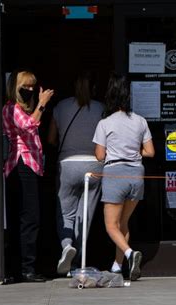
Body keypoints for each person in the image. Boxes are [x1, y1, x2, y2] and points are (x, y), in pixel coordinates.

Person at [92, 72, 154, 280]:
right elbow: (150, 152)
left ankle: (129, 254)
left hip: (115, 173)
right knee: (123, 223)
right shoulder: (140, 121)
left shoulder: (105, 123)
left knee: (111, 225)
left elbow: (100, 155)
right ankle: (117, 266)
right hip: (137, 173)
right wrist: (135, 152)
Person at [47, 71, 104, 275]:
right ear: (94, 88)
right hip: (95, 166)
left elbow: (51, 139)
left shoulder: (60, 106)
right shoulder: (101, 108)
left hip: (68, 165)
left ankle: (66, 246)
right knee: (85, 214)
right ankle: (79, 258)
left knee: (65, 212)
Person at [3, 70, 54, 282]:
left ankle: (22, 267)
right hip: (22, 165)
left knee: (25, 217)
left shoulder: (19, 109)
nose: (30, 91)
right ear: (15, 88)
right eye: (26, 86)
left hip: (26, 166)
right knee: (28, 217)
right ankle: (26, 268)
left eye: (33, 87)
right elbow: (28, 126)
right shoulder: (12, 108)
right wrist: (42, 104)